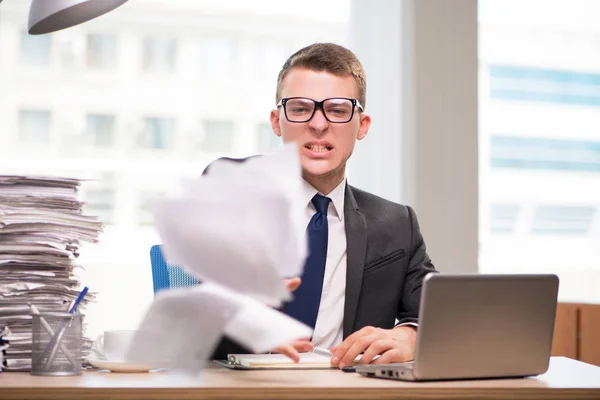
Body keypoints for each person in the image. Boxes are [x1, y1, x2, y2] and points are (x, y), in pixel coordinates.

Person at [211, 43, 437, 369]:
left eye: (338, 109)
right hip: (247, 387)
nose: (318, 124)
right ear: (277, 121)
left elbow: (437, 312)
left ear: (362, 125)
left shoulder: (396, 224)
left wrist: (411, 335)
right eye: (301, 108)